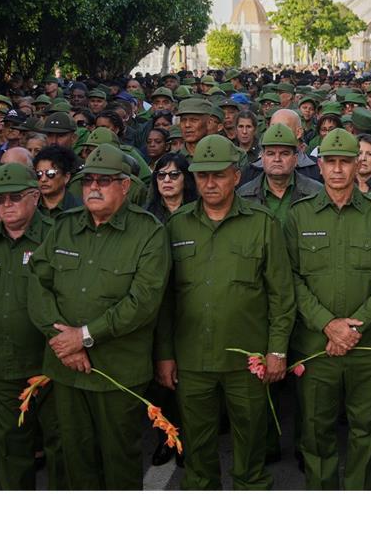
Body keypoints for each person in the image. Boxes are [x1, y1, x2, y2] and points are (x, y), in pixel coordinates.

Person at [154, 135, 296, 490]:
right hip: (193, 359)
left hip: (246, 360)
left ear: (236, 175)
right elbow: (166, 299)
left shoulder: (262, 223)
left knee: (251, 446)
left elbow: (281, 295)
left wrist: (277, 350)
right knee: (198, 449)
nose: (210, 183)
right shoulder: (177, 226)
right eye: (202, 176)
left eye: (218, 174)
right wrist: (166, 355)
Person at [28, 143, 170, 490]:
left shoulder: (148, 232)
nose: (93, 187)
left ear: (124, 186)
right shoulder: (64, 227)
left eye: (104, 181)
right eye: (87, 180)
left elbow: (143, 301)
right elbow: (37, 283)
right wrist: (64, 340)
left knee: (119, 460)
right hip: (66, 368)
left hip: (116, 371)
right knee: (75, 459)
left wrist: (85, 336)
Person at [284, 128, 371, 490]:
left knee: (367, 432)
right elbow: (290, 280)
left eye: (345, 162)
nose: (337, 170)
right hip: (316, 347)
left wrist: (352, 329)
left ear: (359, 165)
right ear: (319, 166)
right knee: (316, 432)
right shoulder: (298, 216)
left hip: (368, 347)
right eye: (330, 162)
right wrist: (327, 325)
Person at [0, 163, 65, 490]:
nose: (5, 205)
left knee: (60, 442)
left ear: (35, 197)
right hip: (4, 363)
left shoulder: (57, 235)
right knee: (10, 445)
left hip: (51, 361)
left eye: (14, 197)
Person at [145, 152, 197, 223]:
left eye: (174, 174)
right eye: (161, 175)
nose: (166, 180)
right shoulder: (146, 214)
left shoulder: (198, 210)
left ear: (186, 179)